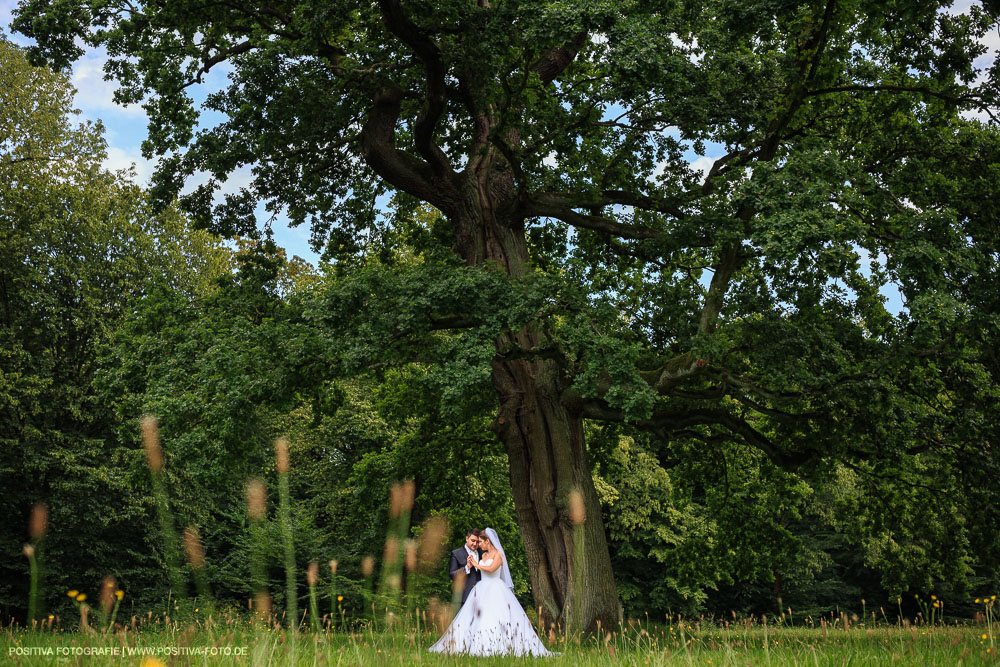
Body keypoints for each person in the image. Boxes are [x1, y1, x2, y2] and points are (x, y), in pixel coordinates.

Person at [429, 527, 553, 657]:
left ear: (487, 541)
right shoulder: (483, 555)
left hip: (496, 589)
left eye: (481, 542)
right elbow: (459, 573)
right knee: (475, 617)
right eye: (476, 542)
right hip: (481, 589)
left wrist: (475, 565)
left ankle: (499, 646)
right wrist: (470, 565)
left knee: (496, 615)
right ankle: (470, 645)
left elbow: (490, 569)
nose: (478, 545)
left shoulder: (499, 555)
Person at [448, 529, 482, 605]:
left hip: (481, 596)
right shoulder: (456, 553)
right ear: (467, 538)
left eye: (477, 542)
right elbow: (452, 574)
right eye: (473, 540)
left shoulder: (482, 553)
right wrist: (467, 567)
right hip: (464, 597)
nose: (475, 544)